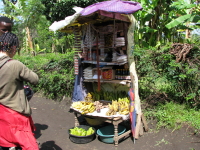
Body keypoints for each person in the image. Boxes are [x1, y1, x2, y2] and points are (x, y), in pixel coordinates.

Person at [0, 32, 39, 150]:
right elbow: (35, 79)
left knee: (8, 143)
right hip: (14, 113)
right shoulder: (14, 65)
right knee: (29, 146)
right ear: (12, 47)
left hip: (2, 112)